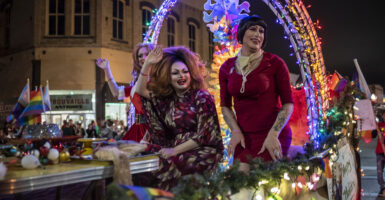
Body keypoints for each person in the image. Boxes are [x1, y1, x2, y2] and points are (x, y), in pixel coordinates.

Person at [133, 46, 224, 190]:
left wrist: (174, 151)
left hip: (202, 151)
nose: (181, 76)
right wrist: (147, 64)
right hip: (174, 149)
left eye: (185, 71)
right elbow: (140, 90)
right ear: (168, 77)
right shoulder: (168, 100)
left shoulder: (202, 97)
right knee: (139, 165)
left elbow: (204, 137)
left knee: (162, 168)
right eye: (175, 73)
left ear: (191, 73)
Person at [219, 15, 294, 173]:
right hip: (244, 138)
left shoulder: (275, 63)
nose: (258, 34)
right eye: (253, 29)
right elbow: (225, 106)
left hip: (272, 134)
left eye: (261, 31)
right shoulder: (226, 67)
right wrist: (236, 131)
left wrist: (274, 134)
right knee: (240, 189)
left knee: (264, 189)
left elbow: (288, 104)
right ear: (241, 33)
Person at [96, 43, 154, 142]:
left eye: (147, 54)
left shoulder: (158, 81)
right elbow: (117, 93)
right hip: (138, 129)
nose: (143, 58)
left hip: (152, 130)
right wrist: (106, 69)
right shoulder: (136, 85)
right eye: (140, 55)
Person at [375, 112, 385, 196]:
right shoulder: (379, 125)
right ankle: (382, 187)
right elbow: (373, 135)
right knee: (379, 171)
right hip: (379, 152)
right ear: (382, 115)